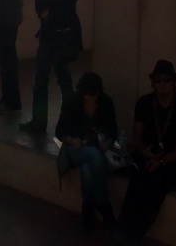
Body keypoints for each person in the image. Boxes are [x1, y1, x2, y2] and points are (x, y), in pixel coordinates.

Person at [118, 60, 176, 244]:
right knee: (137, 179)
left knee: (157, 185)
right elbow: (135, 135)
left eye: (166, 81)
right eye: (158, 81)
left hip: (173, 158)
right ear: (153, 83)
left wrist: (162, 161)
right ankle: (122, 228)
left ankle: (136, 233)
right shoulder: (145, 103)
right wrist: (144, 151)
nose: (162, 85)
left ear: (174, 82)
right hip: (148, 154)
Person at [20, 0, 82, 133]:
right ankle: (70, 120)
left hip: (50, 39)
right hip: (65, 38)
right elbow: (44, 10)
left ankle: (39, 122)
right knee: (65, 81)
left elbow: (40, 7)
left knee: (41, 81)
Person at [55, 71, 118, 232]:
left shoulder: (106, 103)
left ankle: (88, 207)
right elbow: (59, 131)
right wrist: (72, 140)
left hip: (97, 147)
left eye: (93, 93)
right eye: (86, 93)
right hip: (75, 149)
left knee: (87, 169)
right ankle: (104, 205)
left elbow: (113, 131)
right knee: (93, 155)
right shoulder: (72, 103)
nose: (90, 97)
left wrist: (107, 142)